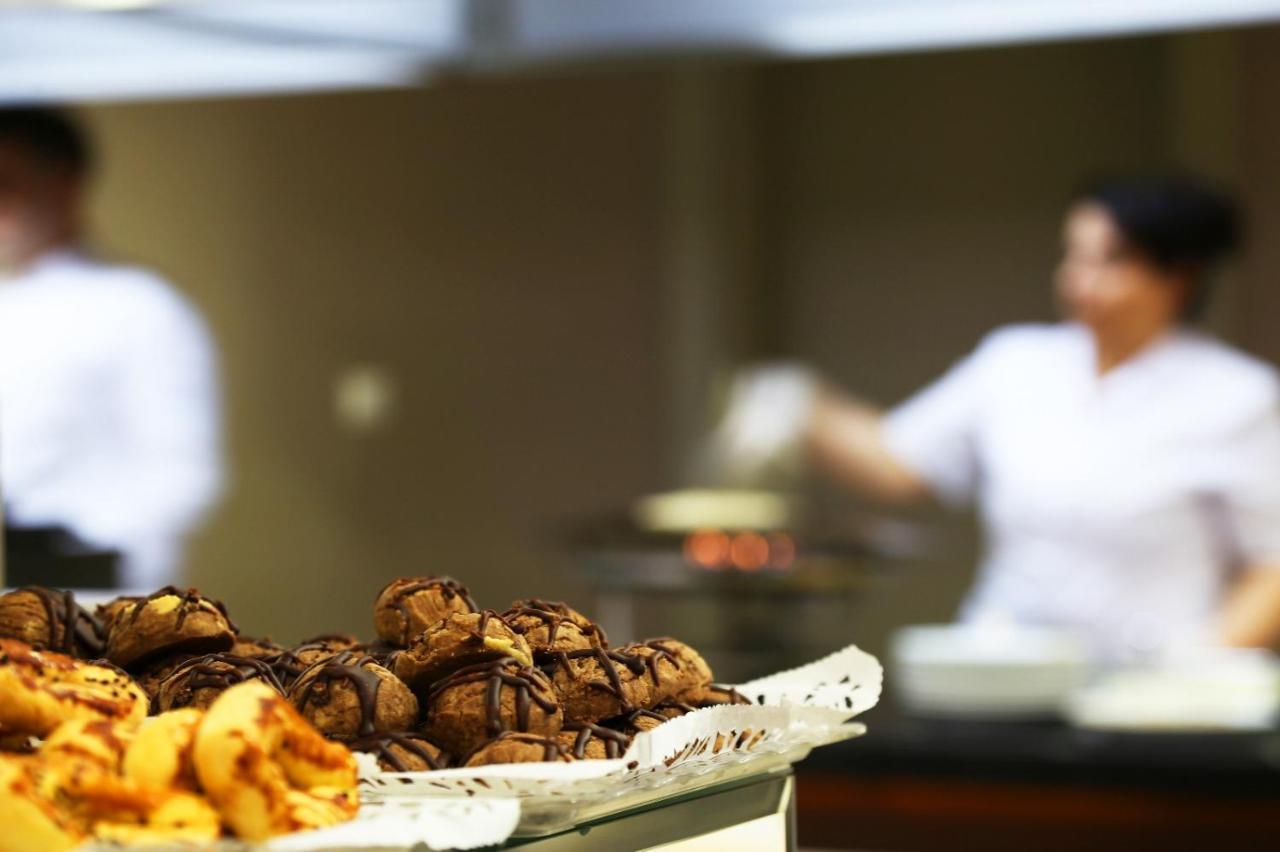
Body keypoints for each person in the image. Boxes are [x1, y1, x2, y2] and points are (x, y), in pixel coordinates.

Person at [717, 174, 1280, 660]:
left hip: (1146, 683)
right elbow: (900, 461)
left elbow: (1271, 569)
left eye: (1112, 260)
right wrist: (802, 407)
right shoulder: (1018, 363)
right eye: (1074, 256)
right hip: (1003, 665)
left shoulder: (1236, 397)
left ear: (1180, 276)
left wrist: (1200, 668)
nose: (1078, 282)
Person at [0, 106, 222, 588]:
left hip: (105, 597)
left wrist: (68, 541)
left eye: (7, 183)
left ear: (62, 183)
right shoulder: (7, 305)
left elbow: (183, 473)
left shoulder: (141, 307)